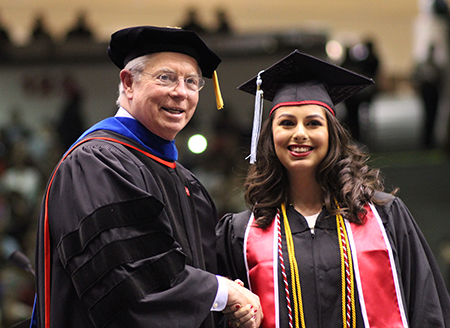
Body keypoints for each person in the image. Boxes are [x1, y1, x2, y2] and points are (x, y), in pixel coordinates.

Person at [31, 26, 262, 328]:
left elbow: (201, 274)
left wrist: (230, 308)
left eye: (192, 81)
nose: (181, 92)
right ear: (128, 83)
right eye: (166, 77)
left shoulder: (186, 182)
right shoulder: (97, 163)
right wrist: (220, 292)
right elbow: (129, 280)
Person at [216, 50, 450, 327]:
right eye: (287, 123)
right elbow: (216, 314)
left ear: (332, 135)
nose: (300, 133)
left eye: (313, 123)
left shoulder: (384, 218)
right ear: (271, 136)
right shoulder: (242, 234)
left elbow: (427, 306)